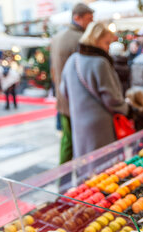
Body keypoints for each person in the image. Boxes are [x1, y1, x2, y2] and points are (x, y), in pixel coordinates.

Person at [60, 22, 143, 158]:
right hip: (100, 125)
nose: (108, 48)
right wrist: (129, 111)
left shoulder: (72, 60)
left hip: (78, 122)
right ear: (95, 39)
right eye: (106, 43)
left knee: (85, 165)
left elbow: (63, 91)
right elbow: (112, 99)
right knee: (103, 165)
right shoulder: (100, 62)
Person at [50, 3, 94, 164]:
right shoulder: (82, 39)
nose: (91, 22)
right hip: (77, 100)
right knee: (82, 145)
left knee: (67, 142)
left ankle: (64, 181)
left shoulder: (58, 37)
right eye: (89, 19)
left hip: (63, 97)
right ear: (77, 18)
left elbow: (53, 70)